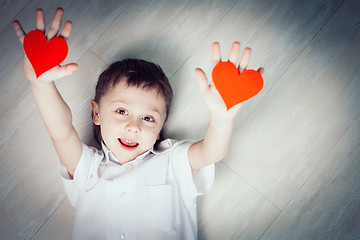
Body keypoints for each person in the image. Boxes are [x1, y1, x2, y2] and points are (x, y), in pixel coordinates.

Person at [13, 7, 264, 240]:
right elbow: (60, 131)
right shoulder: (88, 167)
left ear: (160, 126)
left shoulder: (173, 161)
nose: (135, 127)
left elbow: (212, 151)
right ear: (97, 113)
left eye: (148, 118)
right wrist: (41, 84)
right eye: (121, 111)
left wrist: (222, 118)